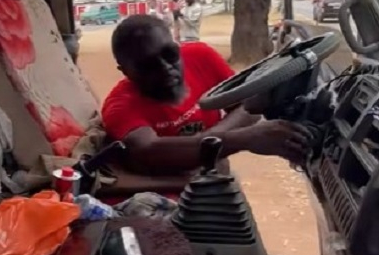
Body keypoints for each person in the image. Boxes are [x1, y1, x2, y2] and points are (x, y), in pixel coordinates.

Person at [101, 15, 311, 176]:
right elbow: (150, 150)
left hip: (216, 178)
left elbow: (249, 106)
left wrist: (207, 142)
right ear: (125, 71)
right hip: (166, 194)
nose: (165, 68)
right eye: (148, 65)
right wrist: (243, 138)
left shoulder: (201, 56)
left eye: (170, 54)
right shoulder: (120, 105)